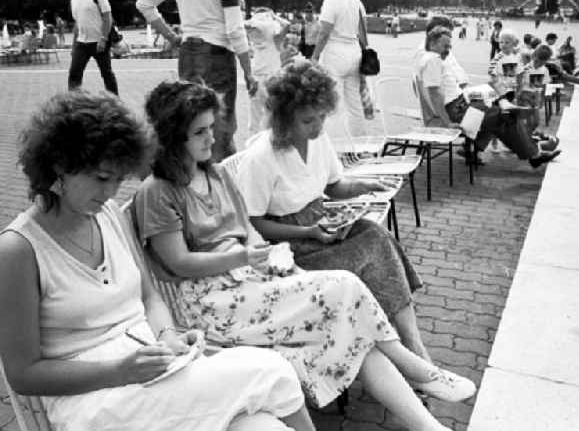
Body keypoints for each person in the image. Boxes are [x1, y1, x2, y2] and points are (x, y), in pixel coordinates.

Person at [134, 82, 474, 430]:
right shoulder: (157, 192)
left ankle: (430, 427)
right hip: (211, 302)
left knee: (355, 335)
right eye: (199, 132)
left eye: (211, 127)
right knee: (345, 287)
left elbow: (247, 231)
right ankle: (417, 368)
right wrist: (247, 258)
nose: (211, 137)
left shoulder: (216, 174)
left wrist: (282, 264)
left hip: (250, 282)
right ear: (174, 138)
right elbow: (179, 263)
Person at [0, 91, 316, 431]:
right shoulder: (18, 249)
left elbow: (149, 297)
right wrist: (119, 371)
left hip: (151, 371)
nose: (110, 192)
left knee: (263, 425)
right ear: (59, 164)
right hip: (92, 399)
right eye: (101, 178)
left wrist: (168, 334)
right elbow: (24, 374)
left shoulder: (108, 215)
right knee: (271, 371)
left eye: (118, 179)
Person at [236, 61, 438, 362]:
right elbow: (253, 224)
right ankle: (405, 350)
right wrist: (307, 232)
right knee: (371, 253)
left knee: (376, 236)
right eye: (307, 121)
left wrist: (364, 186)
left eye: (321, 117)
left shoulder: (318, 140)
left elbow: (334, 186)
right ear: (282, 119)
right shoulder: (260, 158)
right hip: (288, 248)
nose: (317, 127)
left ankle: (412, 346)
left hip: (321, 226)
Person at [136, 0, 255, 162]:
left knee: (192, 125)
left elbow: (144, 4)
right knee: (220, 129)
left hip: (188, 53)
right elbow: (234, 29)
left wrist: (171, 35)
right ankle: (219, 188)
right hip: (217, 54)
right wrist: (248, 72)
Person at [418, 19, 561, 169]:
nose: (448, 50)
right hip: (457, 111)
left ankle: (480, 148)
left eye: (449, 46)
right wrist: (447, 123)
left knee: (495, 107)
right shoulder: (433, 60)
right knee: (506, 116)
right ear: (433, 43)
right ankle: (534, 154)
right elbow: (434, 94)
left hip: (461, 103)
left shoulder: (430, 58)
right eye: (445, 46)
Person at [311, 0, 371, 138]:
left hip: (335, 54)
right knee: (354, 104)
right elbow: (363, 32)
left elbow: (324, 33)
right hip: (354, 53)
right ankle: (359, 143)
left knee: (333, 104)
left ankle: (337, 146)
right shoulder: (356, 1)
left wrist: (314, 56)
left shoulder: (330, 2)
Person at [68, 0, 119, 95]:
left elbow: (108, 18)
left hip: (99, 42)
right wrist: (73, 45)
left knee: (106, 73)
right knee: (74, 73)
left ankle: (115, 100)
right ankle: (74, 102)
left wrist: (104, 39)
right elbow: (77, 24)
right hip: (81, 43)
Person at [244, 8, 288, 136]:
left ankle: (252, 145)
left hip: (256, 77)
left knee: (254, 116)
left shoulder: (253, 38)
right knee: (274, 114)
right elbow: (287, 25)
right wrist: (275, 16)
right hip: (273, 78)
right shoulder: (275, 40)